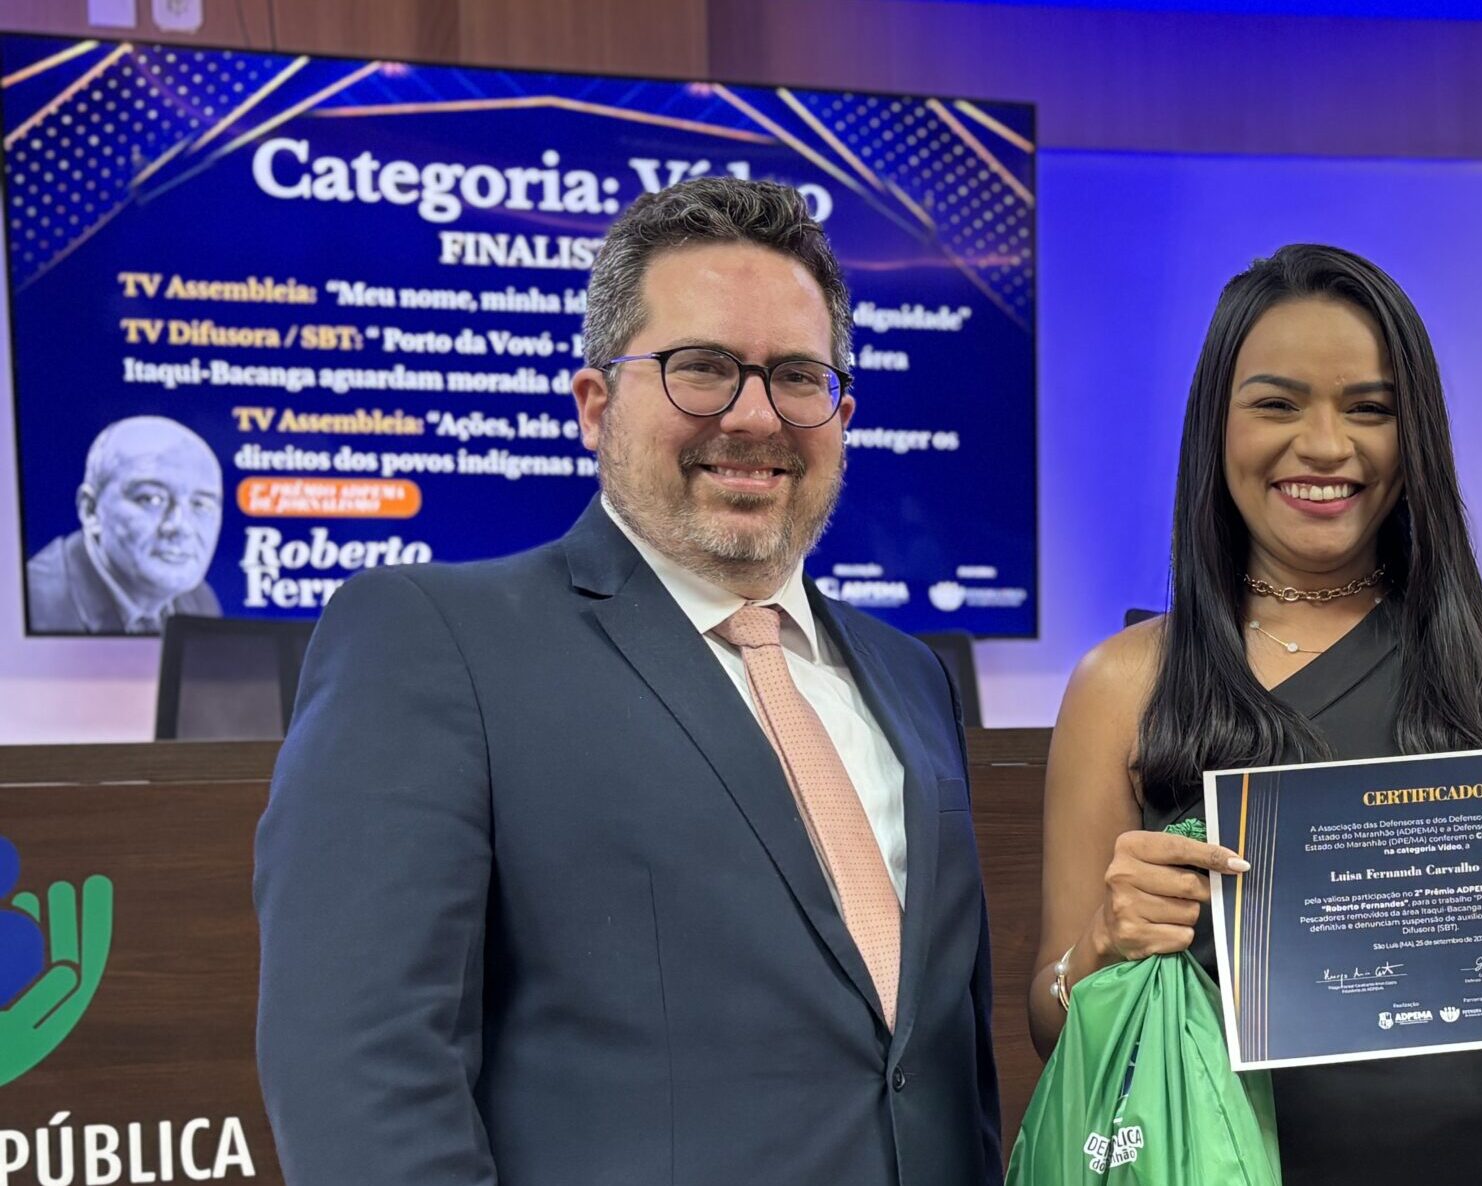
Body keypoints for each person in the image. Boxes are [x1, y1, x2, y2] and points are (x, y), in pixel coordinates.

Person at [254, 178, 1000, 1185]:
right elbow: (360, 1067)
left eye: (796, 376)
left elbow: (926, 1063)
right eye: (700, 369)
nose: (753, 415)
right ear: (594, 405)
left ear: (841, 411)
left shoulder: (912, 678)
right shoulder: (431, 640)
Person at [1029, 244, 1482, 1186]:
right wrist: (1100, 946)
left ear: (1420, 435)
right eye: (1276, 404)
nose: (1324, 446)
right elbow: (1052, 1023)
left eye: (1370, 408)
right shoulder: (1122, 682)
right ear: (1214, 427)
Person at [26, 415, 221, 634]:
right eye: (151, 499)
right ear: (90, 510)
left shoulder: (198, 600)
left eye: (201, 505)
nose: (181, 526)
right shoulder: (30, 604)